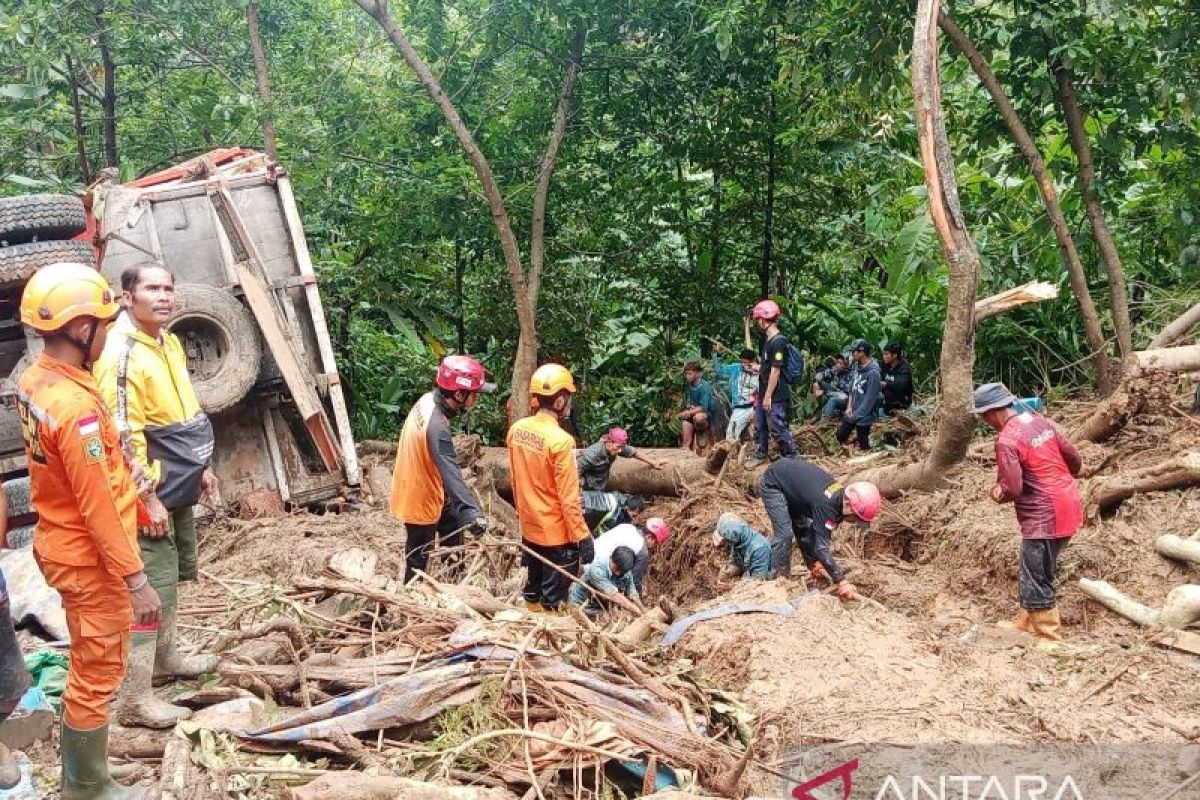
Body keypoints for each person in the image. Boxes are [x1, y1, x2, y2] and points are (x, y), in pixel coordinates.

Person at [17, 262, 162, 798]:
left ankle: (90, 769)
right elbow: (97, 503)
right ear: (82, 330)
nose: (109, 330)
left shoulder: (36, 379)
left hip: (63, 543)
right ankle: (86, 785)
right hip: (88, 556)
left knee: (92, 659)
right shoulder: (75, 407)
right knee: (97, 666)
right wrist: (135, 579)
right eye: (104, 320)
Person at [94, 266, 220, 728]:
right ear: (126, 298)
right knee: (148, 593)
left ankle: (166, 659)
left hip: (175, 483)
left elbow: (183, 412)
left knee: (170, 584)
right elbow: (120, 433)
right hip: (149, 493)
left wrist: (200, 468)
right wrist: (145, 496)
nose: (164, 296)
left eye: (169, 287)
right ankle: (135, 698)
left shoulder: (166, 341)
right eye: (152, 288)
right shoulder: (120, 351)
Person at [973, 382, 1082, 642]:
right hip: (1068, 503)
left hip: (1043, 516)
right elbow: (1074, 459)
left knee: (1036, 573)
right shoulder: (1041, 422)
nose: (985, 422)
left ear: (991, 413)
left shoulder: (1007, 440)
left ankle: (1049, 635)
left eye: (983, 417)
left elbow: (1012, 486)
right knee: (1035, 567)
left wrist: (997, 493)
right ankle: (1025, 621)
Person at [389, 355, 494, 584]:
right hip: (420, 496)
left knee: (453, 526)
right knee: (418, 559)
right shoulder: (437, 427)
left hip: (421, 484)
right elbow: (451, 471)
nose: (474, 400)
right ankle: (412, 601)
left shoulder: (428, 401)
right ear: (459, 394)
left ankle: (452, 581)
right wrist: (472, 513)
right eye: (473, 395)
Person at [508, 364, 593, 613]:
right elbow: (568, 498)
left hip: (530, 528)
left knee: (531, 594)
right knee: (553, 604)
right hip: (556, 537)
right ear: (559, 401)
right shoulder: (561, 441)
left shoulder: (517, 431)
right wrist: (582, 536)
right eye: (568, 398)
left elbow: (515, 479)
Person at [758, 457, 881, 599]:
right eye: (855, 518)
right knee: (784, 534)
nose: (853, 522)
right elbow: (821, 548)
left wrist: (814, 563)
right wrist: (841, 580)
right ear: (848, 506)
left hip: (792, 485)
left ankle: (811, 566)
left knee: (802, 526)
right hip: (774, 483)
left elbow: (811, 533)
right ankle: (776, 583)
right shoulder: (826, 506)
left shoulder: (838, 497)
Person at [746, 300, 798, 467]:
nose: (757, 322)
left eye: (758, 319)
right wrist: (758, 368)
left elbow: (776, 371)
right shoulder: (769, 341)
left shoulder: (778, 342)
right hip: (764, 392)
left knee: (777, 425)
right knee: (760, 424)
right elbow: (769, 368)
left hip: (775, 394)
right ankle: (760, 453)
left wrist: (768, 396)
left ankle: (792, 456)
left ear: (763, 319)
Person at [589, 517, 669, 592]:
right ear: (649, 537)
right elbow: (634, 580)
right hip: (597, 570)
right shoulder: (643, 552)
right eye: (655, 543)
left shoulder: (627, 526)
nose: (654, 546)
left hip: (588, 554)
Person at [576, 427, 664, 492]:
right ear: (609, 442)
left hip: (599, 485)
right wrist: (580, 487)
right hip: (587, 488)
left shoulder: (616, 447)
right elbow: (575, 471)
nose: (620, 450)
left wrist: (653, 462)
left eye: (621, 447)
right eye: (618, 447)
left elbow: (634, 453)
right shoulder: (593, 454)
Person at [569, 545, 641, 615]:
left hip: (599, 604)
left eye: (621, 571)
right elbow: (614, 595)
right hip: (580, 603)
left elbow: (632, 593)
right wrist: (637, 611)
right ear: (610, 558)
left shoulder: (625, 570)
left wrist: (643, 609)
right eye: (616, 568)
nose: (618, 573)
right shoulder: (597, 570)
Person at [837, 339, 881, 451]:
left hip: (865, 416)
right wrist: (849, 406)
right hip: (853, 410)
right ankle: (847, 451)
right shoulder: (857, 367)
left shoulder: (873, 372)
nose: (852, 355)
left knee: (864, 444)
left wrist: (856, 415)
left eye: (854, 352)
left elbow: (869, 400)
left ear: (862, 353)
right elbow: (852, 387)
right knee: (840, 435)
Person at [713, 344, 759, 442]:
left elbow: (761, 393)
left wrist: (755, 410)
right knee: (731, 436)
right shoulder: (736, 368)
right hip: (740, 408)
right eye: (741, 362)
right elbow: (719, 371)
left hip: (755, 407)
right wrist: (718, 355)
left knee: (760, 433)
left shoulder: (760, 372)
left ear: (753, 361)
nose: (743, 365)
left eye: (745, 362)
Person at [712, 513, 772, 580]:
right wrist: (730, 571)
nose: (724, 541)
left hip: (764, 581)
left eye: (726, 539)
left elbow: (758, 581)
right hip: (748, 574)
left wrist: (730, 587)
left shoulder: (759, 549)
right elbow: (737, 562)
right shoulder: (738, 540)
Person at [678, 362, 716, 453]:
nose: (687, 376)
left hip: (707, 413)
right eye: (686, 374)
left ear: (698, 374)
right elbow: (690, 402)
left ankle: (702, 433)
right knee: (685, 423)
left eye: (690, 374)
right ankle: (686, 446)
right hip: (695, 411)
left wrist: (689, 412)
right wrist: (687, 410)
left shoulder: (704, 386)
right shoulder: (690, 386)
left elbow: (703, 407)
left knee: (698, 417)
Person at [812, 354, 852, 420]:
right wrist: (818, 379)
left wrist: (824, 392)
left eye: (841, 363)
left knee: (832, 400)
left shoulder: (850, 375)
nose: (838, 365)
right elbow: (822, 374)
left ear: (846, 365)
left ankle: (824, 422)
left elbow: (845, 395)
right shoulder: (835, 370)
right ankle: (818, 409)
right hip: (835, 392)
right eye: (837, 362)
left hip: (845, 400)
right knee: (818, 384)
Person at [880, 343, 913, 415]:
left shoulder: (904, 367)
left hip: (902, 402)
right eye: (883, 354)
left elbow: (901, 386)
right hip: (886, 400)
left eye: (886, 354)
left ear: (895, 355)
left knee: (889, 390)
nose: (884, 357)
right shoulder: (884, 364)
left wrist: (885, 384)